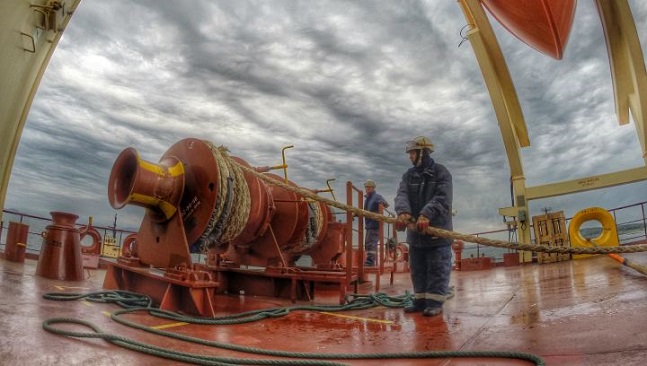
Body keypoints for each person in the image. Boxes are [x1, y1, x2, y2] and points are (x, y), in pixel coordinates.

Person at [394, 136, 453, 317]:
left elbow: (442, 199)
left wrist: (426, 214)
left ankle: (435, 303)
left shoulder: (442, 173)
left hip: (437, 236)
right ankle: (420, 300)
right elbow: (401, 194)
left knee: (437, 268)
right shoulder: (408, 176)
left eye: (412, 153)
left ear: (422, 152)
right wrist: (403, 212)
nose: (410, 157)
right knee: (417, 269)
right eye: (409, 153)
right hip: (416, 236)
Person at [363, 179, 389, 266]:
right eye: (366, 187)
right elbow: (365, 211)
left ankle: (370, 262)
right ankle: (369, 260)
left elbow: (385, 204)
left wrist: (381, 204)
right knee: (367, 243)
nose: (367, 188)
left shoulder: (377, 196)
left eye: (369, 187)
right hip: (369, 224)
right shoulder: (367, 199)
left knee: (371, 242)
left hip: (375, 224)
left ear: (373, 188)